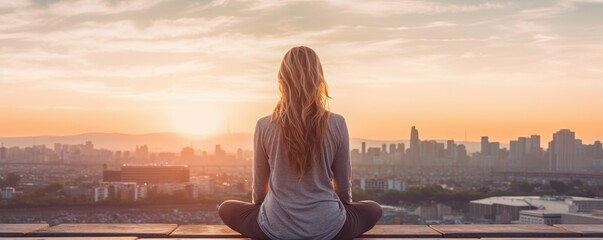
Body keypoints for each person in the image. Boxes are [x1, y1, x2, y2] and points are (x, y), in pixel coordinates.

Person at [218, 46, 382, 240]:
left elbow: (259, 192)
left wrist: (271, 211)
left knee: (226, 207)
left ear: (282, 80)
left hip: (275, 228)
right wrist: (337, 212)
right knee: (374, 208)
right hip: (330, 227)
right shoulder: (337, 123)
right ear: (319, 79)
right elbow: (344, 189)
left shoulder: (264, 125)